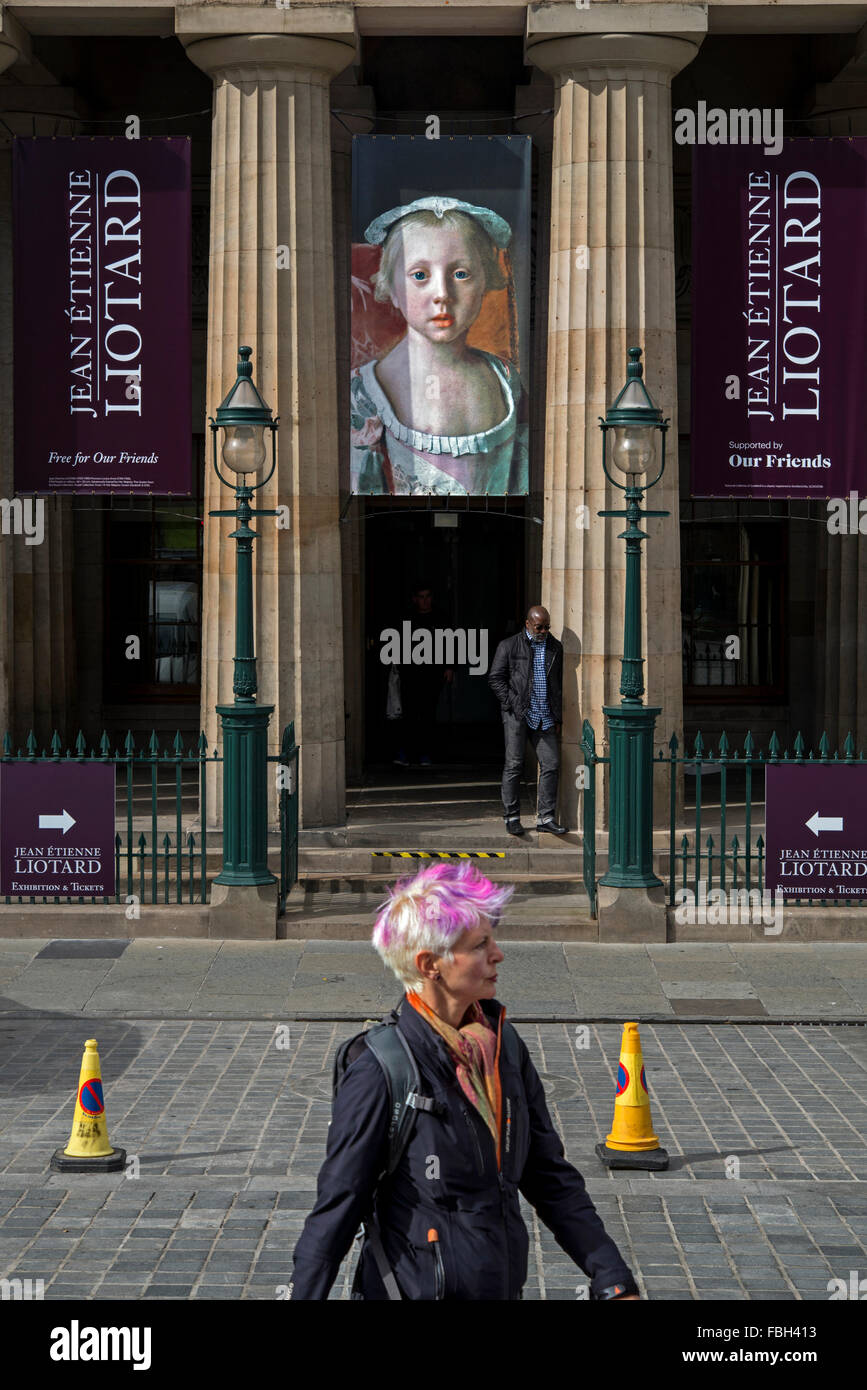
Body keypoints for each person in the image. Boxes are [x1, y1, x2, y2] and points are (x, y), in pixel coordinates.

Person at [289, 861, 640, 1301]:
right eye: (480, 945)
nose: (498, 954)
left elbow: (548, 1174)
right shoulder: (382, 1069)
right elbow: (337, 1208)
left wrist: (610, 1274)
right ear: (430, 964)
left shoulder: (503, 1048)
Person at [350, 196, 529, 495]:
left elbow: (521, 478)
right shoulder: (365, 390)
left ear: (485, 280)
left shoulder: (506, 379)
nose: (442, 294)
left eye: (461, 274)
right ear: (391, 288)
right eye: (420, 276)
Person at [488, 605, 567, 836]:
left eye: (547, 627)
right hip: (518, 714)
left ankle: (546, 817)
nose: (543, 631)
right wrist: (512, 702)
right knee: (514, 765)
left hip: (544, 715)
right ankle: (512, 816)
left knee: (551, 763)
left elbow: (557, 686)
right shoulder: (509, 645)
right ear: (527, 624)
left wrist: (557, 715)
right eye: (539, 627)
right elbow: (495, 678)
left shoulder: (555, 647)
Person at [390, 579, 453, 768]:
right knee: (408, 714)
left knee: (428, 714)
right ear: (414, 599)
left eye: (428, 597)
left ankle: (426, 753)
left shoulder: (441, 618)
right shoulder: (406, 619)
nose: (425, 601)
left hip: (433, 675)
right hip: (410, 674)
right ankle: (406, 753)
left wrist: (450, 667)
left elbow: (451, 643)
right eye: (421, 597)